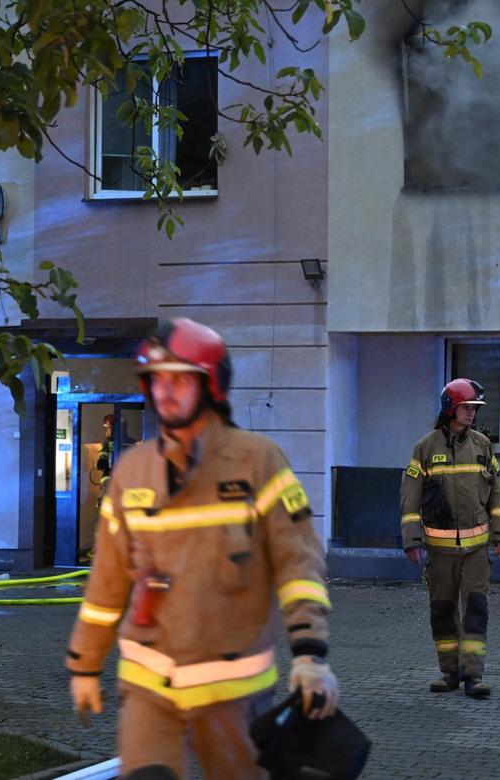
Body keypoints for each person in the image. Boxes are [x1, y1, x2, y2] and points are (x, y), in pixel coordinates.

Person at [66, 318, 339, 778]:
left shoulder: (258, 463)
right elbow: (106, 585)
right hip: (148, 692)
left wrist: (310, 657)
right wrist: (85, 664)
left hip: (233, 696)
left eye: (179, 378)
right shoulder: (132, 473)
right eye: (156, 379)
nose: (164, 390)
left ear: (211, 383)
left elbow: (299, 565)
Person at [400, 378, 500, 698]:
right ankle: (450, 672)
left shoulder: (482, 446)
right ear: (450, 408)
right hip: (440, 551)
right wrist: (411, 540)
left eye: (475, 408)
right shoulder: (426, 447)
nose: (472, 413)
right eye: (467, 407)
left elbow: (496, 494)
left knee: (476, 610)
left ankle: (473, 676)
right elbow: (410, 497)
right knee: (443, 613)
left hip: (476, 549)